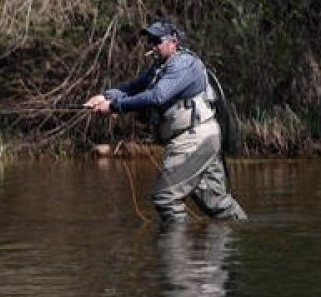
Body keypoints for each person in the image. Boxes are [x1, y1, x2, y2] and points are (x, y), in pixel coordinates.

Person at [84, 20, 247, 224]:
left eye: (157, 41)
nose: (152, 46)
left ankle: (179, 251)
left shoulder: (184, 64)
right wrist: (104, 96)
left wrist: (115, 106)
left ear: (173, 42)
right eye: (150, 41)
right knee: (215, 203)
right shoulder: (159, 67)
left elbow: (157, 96)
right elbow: (133, 87)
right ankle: (240, 233)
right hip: (198, 138)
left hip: (195, 138)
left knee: (166, 198)